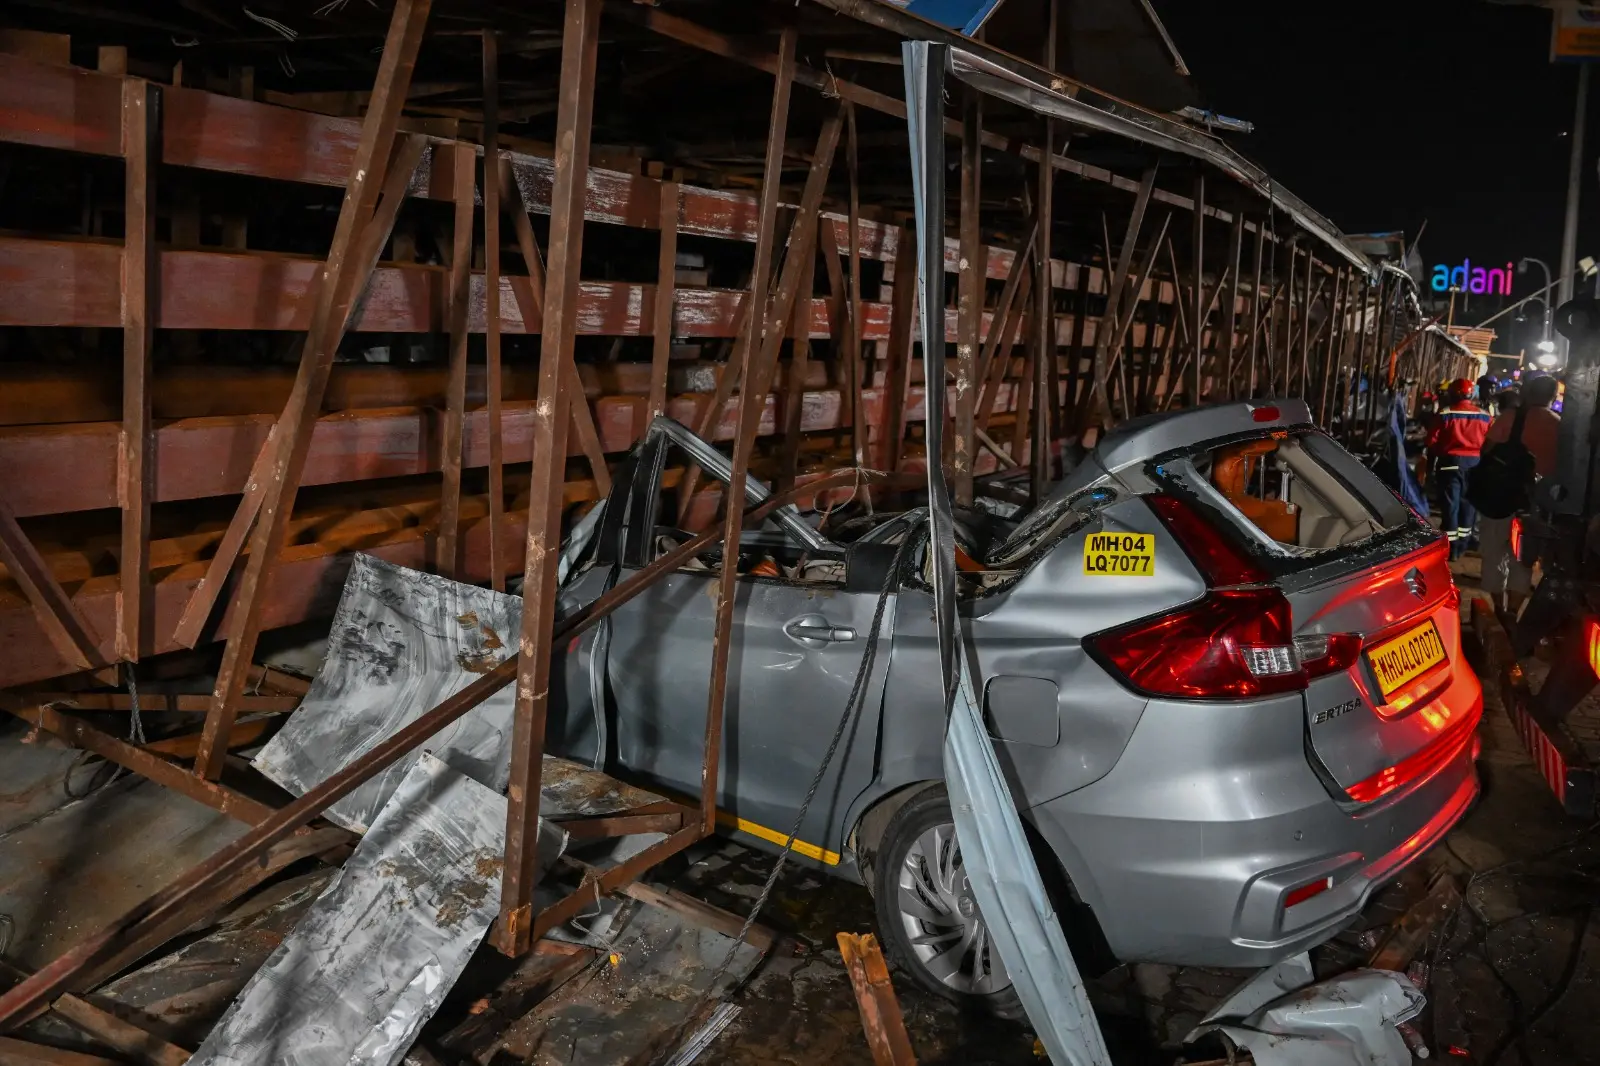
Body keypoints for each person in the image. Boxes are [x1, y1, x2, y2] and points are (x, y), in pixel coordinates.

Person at [1478, 374, 1561, 614]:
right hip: (1537, 502)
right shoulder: (1560, 425)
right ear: (1553, 396)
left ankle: (1498, 608)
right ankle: (1513, 611)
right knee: (1524, 558)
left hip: (1500, 497)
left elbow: (1486, 450)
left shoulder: (1510, 417)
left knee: (1493, 552)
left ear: (1529, 392)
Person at [1426, 378, 1491, 560]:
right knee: (1468, 506)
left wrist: (1440, 455)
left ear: (1453, 394)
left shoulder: (1445, 414)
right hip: (1475, 465)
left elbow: (1431, 442)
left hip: (1450, 464)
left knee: (1450, 507)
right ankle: (1462, 545)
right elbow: (1490, 442)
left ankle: (1451, 548)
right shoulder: (1485, 416)